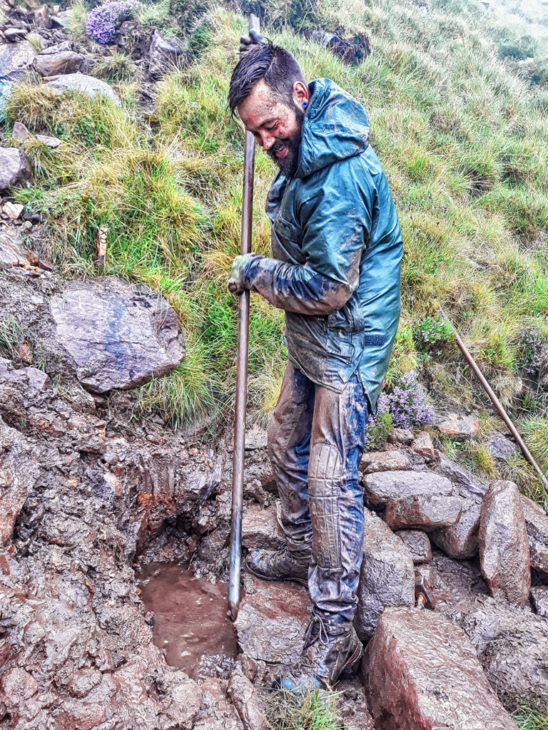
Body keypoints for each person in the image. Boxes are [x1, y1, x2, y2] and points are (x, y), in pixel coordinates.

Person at [227, 36, 403, 691]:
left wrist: (259, 272)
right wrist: (256, 51)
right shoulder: (301, 130)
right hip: (314, 337)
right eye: (255, 131)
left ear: (301, 98)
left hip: (349, 344)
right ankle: (305, 551)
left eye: (272, 126)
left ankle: (335, 633)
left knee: (330, 480)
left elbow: (330, 286)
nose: (268, 142)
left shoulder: (338, 178)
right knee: (281, 438)